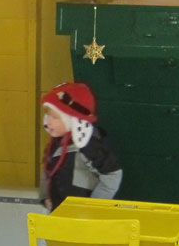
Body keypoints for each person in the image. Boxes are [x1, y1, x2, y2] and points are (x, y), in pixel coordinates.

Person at [40, 81, 122, 211]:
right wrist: (45, 197)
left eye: (55, 117)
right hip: (60, 212)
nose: (48, 121)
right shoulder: (56, 142)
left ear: (72, 120)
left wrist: (94, 207)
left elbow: (113, 174)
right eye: (48, 115)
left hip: (83, 216)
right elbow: (47, 170)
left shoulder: (89, 146)